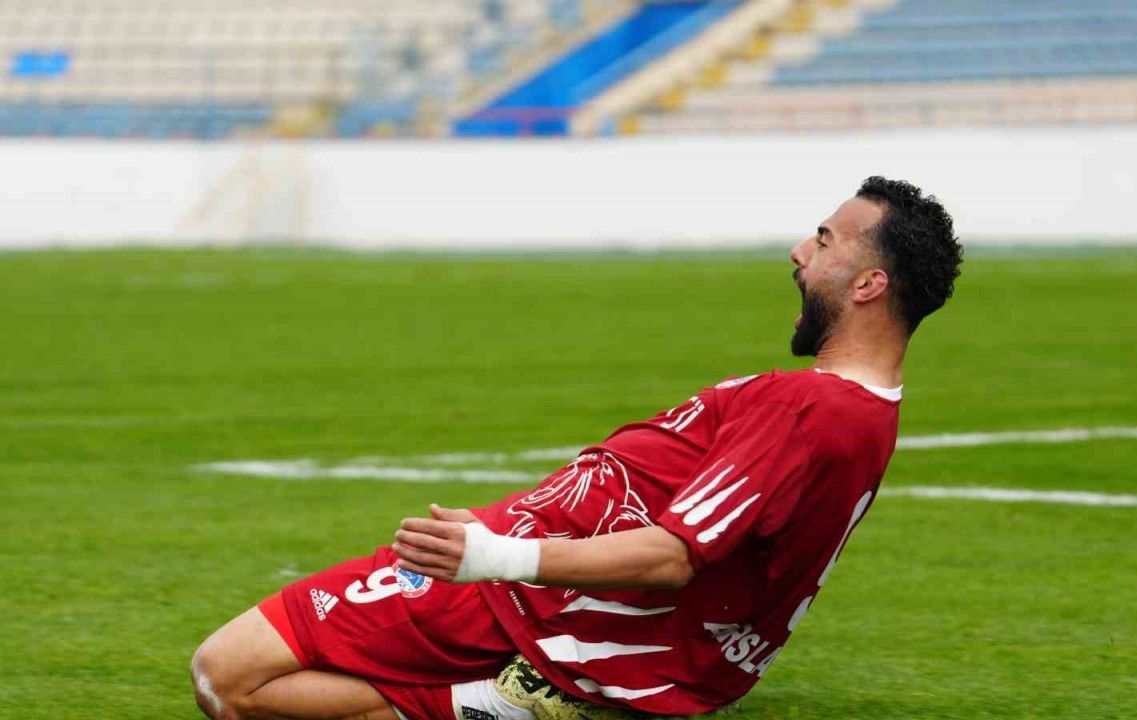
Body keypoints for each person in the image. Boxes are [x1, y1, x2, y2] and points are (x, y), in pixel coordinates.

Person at [191, 176, 963, 720]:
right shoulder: (867, 413)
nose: (798, 251)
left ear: (868, 285)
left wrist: (492, 556)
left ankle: (510, 707)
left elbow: (672, 557)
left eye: (823, 241)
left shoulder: (815, 409)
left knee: (227, 679)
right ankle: (499, 705)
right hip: (537, 584)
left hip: (531, 602)